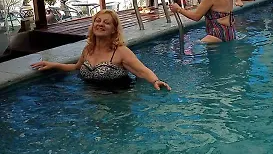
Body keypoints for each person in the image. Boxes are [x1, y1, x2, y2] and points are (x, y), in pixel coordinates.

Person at [31, 9, 171, 91]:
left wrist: (155, 81)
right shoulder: (88, 49)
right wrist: (53, 65)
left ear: (114, 30)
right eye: (97, 21)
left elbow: (142, 71)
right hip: (91, 100)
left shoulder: (121, 52)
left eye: (106, 22)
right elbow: (76, 67)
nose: (100, 24)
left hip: (117, 100)